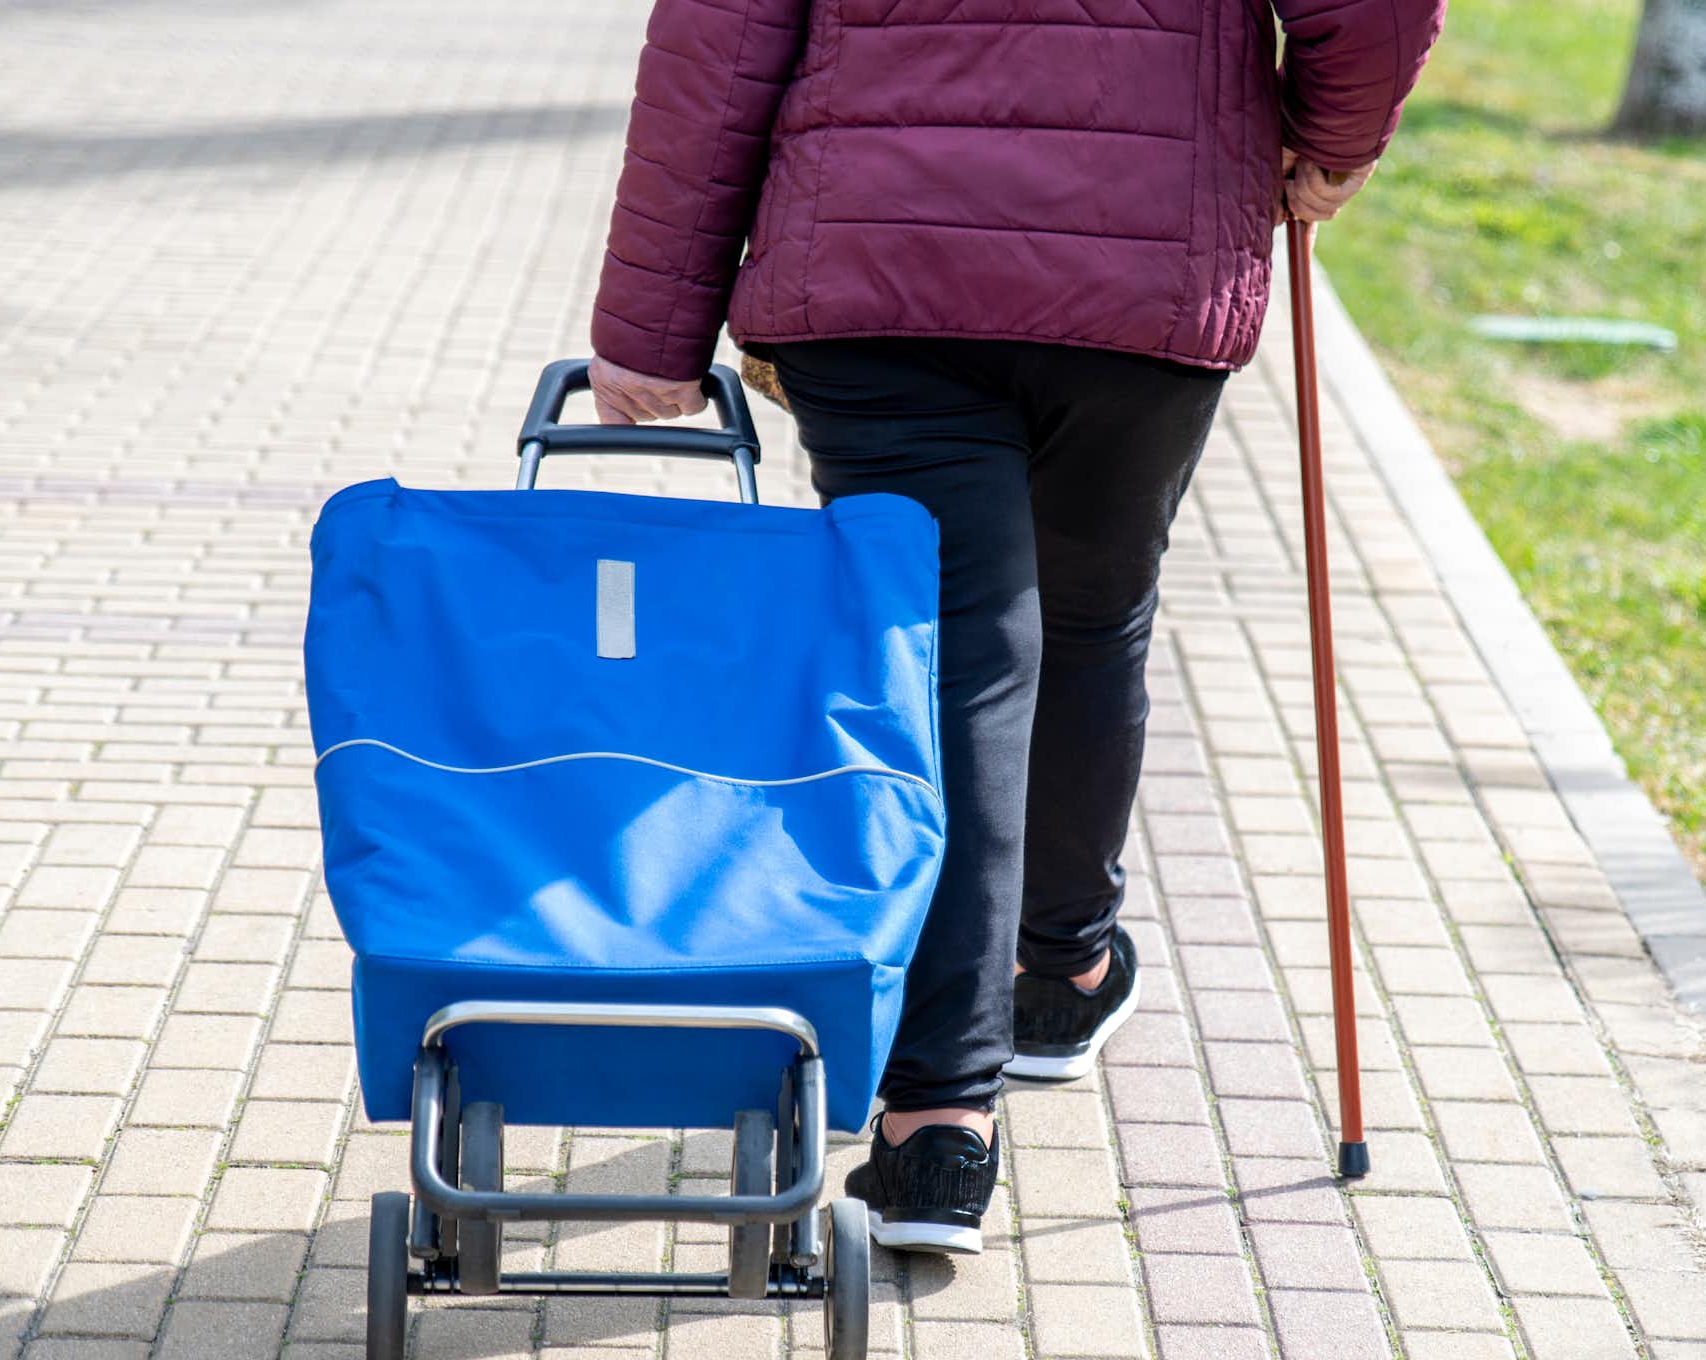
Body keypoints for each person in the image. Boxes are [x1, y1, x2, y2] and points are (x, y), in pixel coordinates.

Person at [587, 0, 1444, 1255]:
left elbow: (717, 43)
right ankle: (1063, 974)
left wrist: (648, 326)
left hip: (882, 270)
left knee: (954, 660)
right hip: (1143, 262)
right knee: (1094, 620)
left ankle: (938, 1116)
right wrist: (1332, 142)